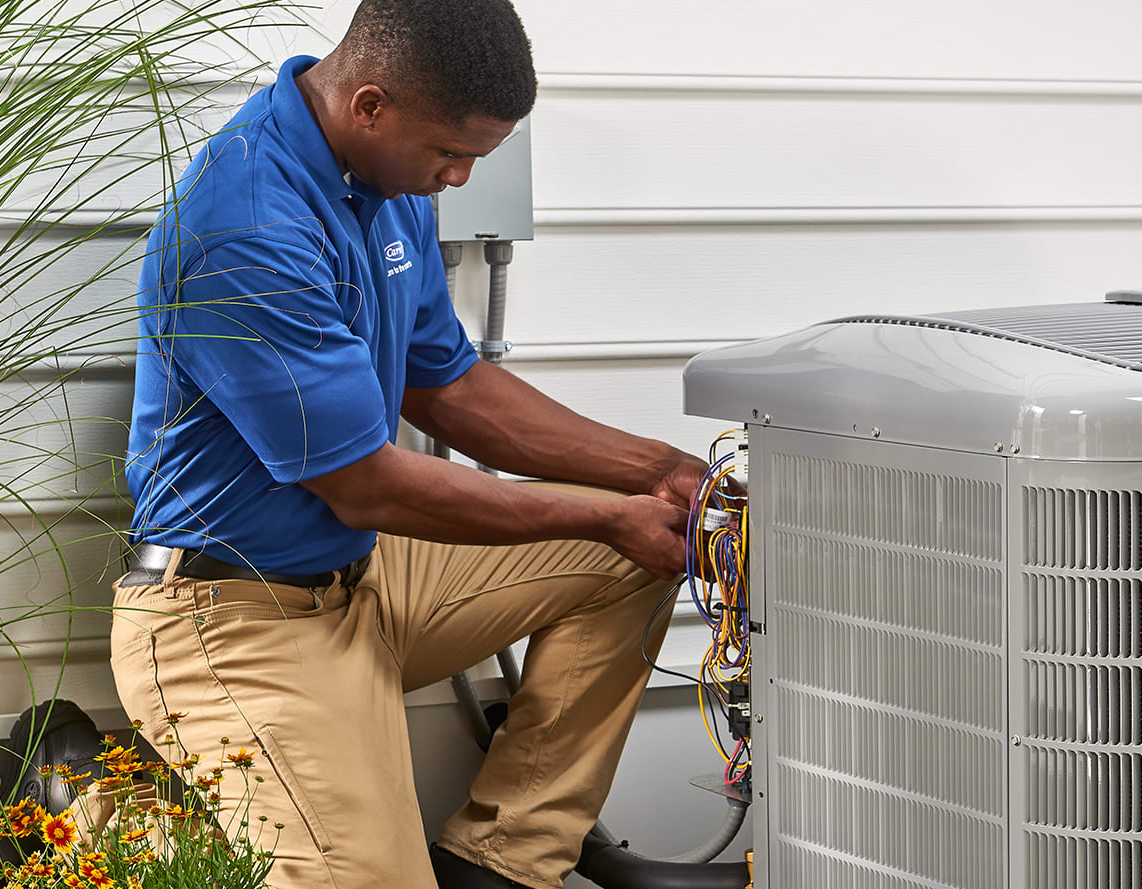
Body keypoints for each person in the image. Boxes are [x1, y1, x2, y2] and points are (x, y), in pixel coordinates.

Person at [111, 1, 703, 886]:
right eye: (450, 152)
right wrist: (611, 514)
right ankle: (93, 810)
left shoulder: (386, 190)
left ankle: (500, 865)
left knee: (644, 552)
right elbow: (368, 486)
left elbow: (450, 385)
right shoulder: (247, 223)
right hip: (231, 618)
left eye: (479, 157)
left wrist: (660, 472)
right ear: (371, 105)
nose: (460, 179)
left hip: (363, 580)